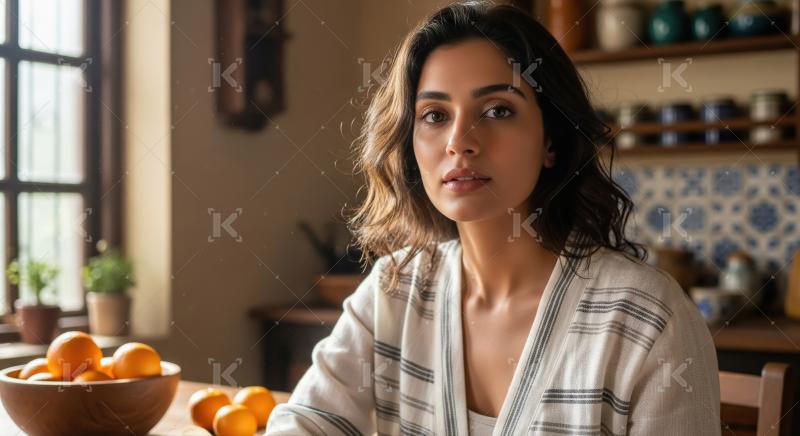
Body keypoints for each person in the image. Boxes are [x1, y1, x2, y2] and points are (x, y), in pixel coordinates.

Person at [266, 1, 720, 435]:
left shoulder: (649, 320)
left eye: (498, 110)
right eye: (435, 115)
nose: (459, 141)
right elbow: (303, 423)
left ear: (551, 141)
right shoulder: (394, 292)